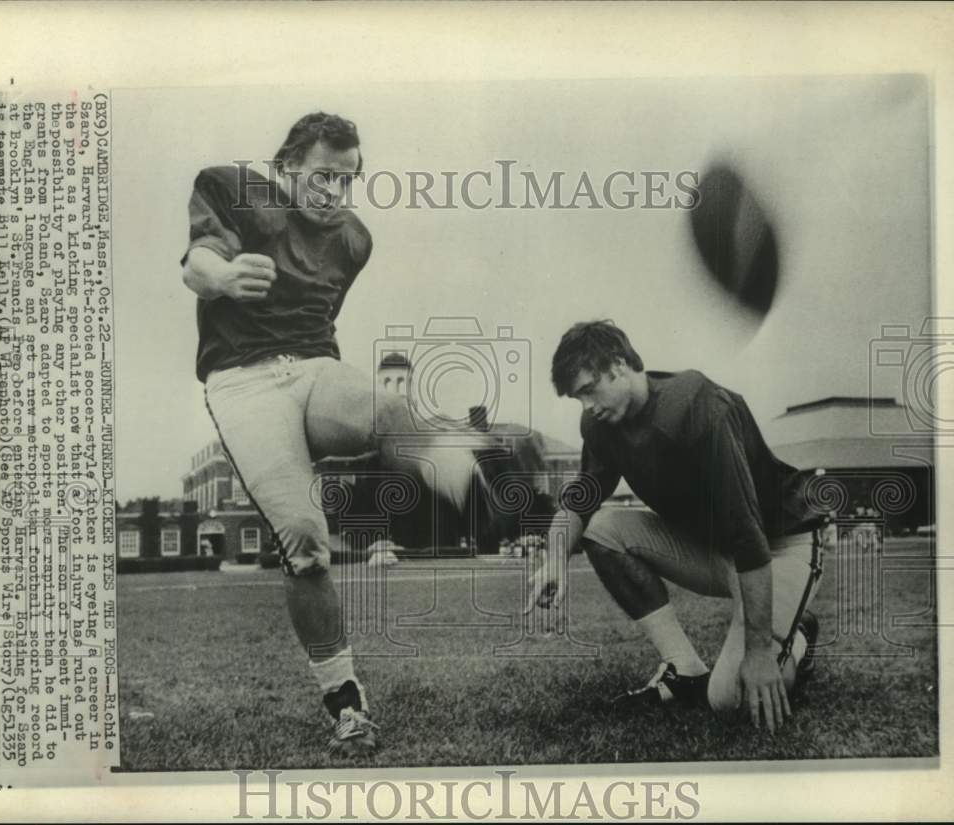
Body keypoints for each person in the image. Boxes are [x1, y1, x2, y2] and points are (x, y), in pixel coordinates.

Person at [180, 112, 479, 756]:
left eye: (350, 181)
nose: (336, 194)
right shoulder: (233, 189)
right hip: (241, 383)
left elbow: (318, 321)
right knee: (307, 544)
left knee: (395, 409)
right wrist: (226, 278)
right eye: (323, 177)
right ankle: (344, 698)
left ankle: (467, 489)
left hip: (312, 367)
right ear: (286, 167)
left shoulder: (355, 240)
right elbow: (198, 266)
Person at [528, 320, 825, 733]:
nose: (587, 406)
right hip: (718, 549)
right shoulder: (601, 425)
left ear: (618, 365)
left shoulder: (696, 404)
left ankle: (798, 637)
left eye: (589, 389)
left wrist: (758, 651)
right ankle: (683, 668)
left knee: (729, 700)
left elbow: (748, 532)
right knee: (603, 529)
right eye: (578, 398)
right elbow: (580, 500)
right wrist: (555, 560)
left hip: (778, 545)